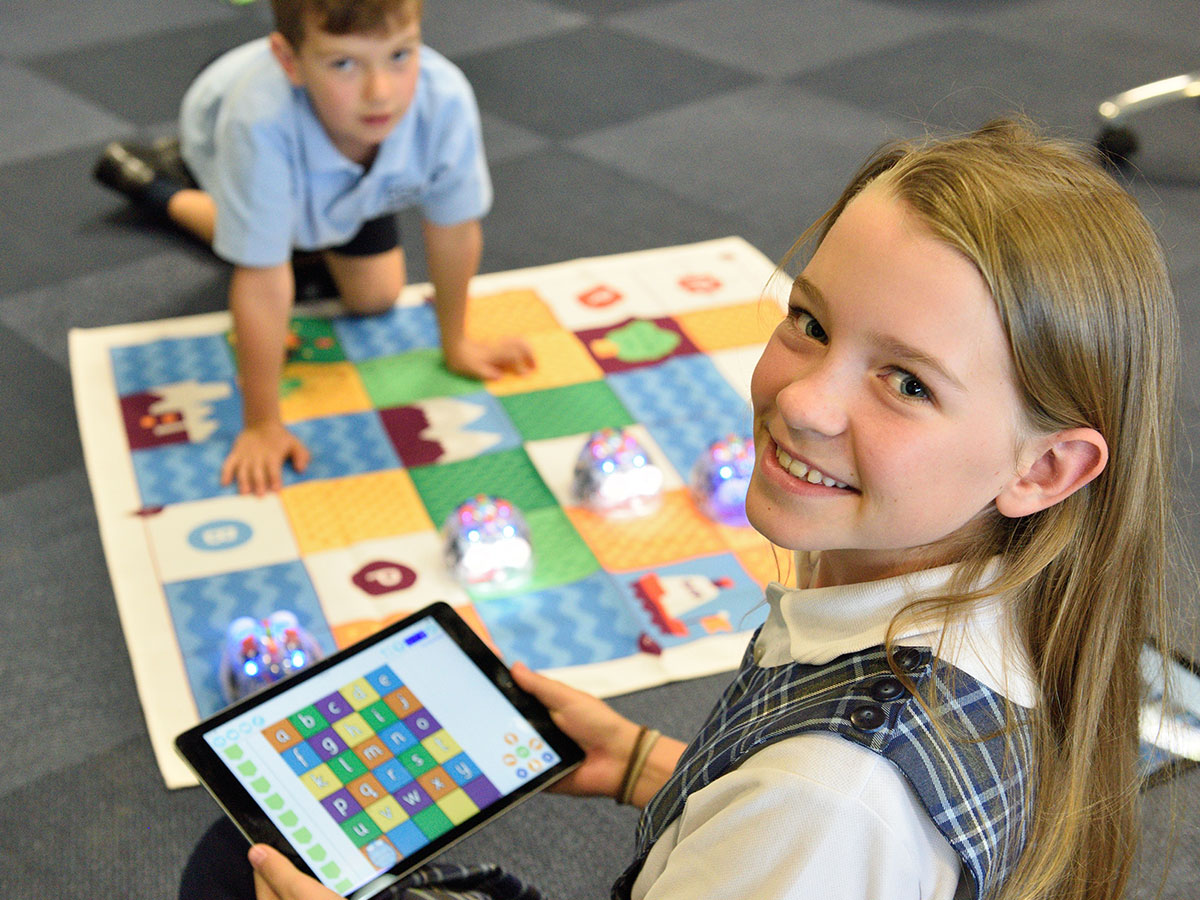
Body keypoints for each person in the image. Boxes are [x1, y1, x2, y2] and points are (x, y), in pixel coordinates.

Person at [179, 119, 1181, 900]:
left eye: (907, 383)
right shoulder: (1025, 603)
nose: (802, 399)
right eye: (811, 320)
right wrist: (647, 764)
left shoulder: (828, 799)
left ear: (1046, 469)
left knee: (236, 866)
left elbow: (815, 829)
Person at [93, 0, 534, 495]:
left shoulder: (443, 96)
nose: (380, 92)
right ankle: (155, 182)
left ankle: (300, 221)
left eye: (400, 55)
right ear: (289, 61)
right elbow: (261, 278)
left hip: (347, 157)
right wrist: (262, 423)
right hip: (225, 123)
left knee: (376, 297)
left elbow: (454, 230)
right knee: (276, 239)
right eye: (344, 63)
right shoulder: (256, 119)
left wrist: (457, 342)